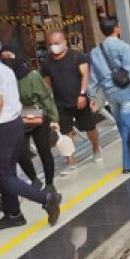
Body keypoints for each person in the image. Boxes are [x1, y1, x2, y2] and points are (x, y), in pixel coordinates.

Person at [0, 35, 61, 229]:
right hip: (15, 125)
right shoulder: (4, 68)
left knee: (1, 174)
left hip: (2, 126)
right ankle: (13, 214)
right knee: (8, 171)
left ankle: (46, 198)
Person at [88, 18, 130, 175]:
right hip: (126, 92)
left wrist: (92, 96)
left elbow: (93, 77)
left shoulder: (95, 51)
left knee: (123, 127)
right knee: (129, 127)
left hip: (110, 95)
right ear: (116, 29)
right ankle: (129, 164)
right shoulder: (124, 47)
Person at [0, 44, 59, 194]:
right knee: (20, 152)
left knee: (44, 150)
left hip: (37, 116)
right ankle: (34, 179)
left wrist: (53, 117)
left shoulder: (31, 75)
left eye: (10, 56)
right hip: (17, 119)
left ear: (17, 56)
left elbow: (45, 97)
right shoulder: (3, 78)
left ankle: (50, 183)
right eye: (3, 57)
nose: (7, 60)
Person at [41, 30, 102, 171]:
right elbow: (47, 84)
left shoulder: (77, 56)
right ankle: (71, 161)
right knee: (66, 132)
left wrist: (82, 94)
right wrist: (49, 104)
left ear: (64, 42)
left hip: (79, 100)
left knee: (89, 127)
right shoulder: (47, 62)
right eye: (50, 44)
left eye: (56, 43)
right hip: (60, 103)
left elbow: (85, 76)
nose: (53, 47)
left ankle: (96, 149)